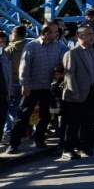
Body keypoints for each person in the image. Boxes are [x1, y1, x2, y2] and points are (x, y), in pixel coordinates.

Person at [7, 22, 66, 154]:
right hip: (32, 87)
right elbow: (24, 66)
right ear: (45, 32)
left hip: (48, 87)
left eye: (57, 32)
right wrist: (25, 84)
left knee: (45, 116)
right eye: (54, 32)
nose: (56, 34)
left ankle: (39, 139)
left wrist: (61, 71)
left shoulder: (59, 47)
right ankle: (13, 144)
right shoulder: (32, 46)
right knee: (23, 115)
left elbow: (66, 60)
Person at [61, 25, 94, 159]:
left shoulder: (92, 51)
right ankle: (68, 149)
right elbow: (69, 75)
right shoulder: (72, 53)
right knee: (73, 124)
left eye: (92, 33)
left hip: (91, 92)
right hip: (76, 95)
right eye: (89, 34)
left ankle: (84, 146)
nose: (92, 36)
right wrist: (75, 93)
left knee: (88, 122)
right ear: (80, 36)